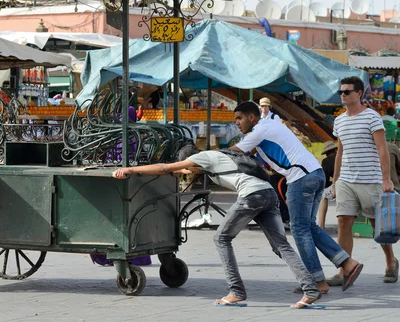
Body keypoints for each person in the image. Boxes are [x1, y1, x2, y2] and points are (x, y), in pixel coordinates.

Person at [112, 145, 323, 309]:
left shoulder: (202, 158)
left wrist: (129, 169)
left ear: (192, 158)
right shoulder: (217, 156)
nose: (188, 170)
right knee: (281, 246)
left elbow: (166, 168)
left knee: (221, 238)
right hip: (268, 194)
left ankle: (236, 291)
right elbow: (180, 171)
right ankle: (310, 288)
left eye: (188, 165)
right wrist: (182, 170)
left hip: (252, 196)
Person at [230, 101, 363, 294]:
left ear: (251, 117)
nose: (237, 123)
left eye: (239, 118)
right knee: (308, 226)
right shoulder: (270, 125)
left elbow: (233, 152)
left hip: (300, 179)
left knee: (300, 230)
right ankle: (347, 263)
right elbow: (251, 152)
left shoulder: (259, 131)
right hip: (315, 174)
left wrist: (199, 159)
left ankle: (317, 282)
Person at [331, 76, 398, 284]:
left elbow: (382, 149)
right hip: (346, 181)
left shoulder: (372, 117)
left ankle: (391, 261)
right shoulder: (339, 120)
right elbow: (339, 154)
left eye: (347, 91)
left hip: (371, 179)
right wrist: (335, 181)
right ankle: (344, 269)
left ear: (358, 93)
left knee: (376, 225)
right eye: (341, 92)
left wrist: (386, 179)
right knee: (343, 222)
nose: (343, 95)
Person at [317, 141, 338, 228]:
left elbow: (324, 180)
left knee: (323, 195)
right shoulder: (342, 157)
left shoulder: (325, 161)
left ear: (326, 153)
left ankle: (321, 225)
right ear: (335, 150)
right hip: (348, 183)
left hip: (337, 185)